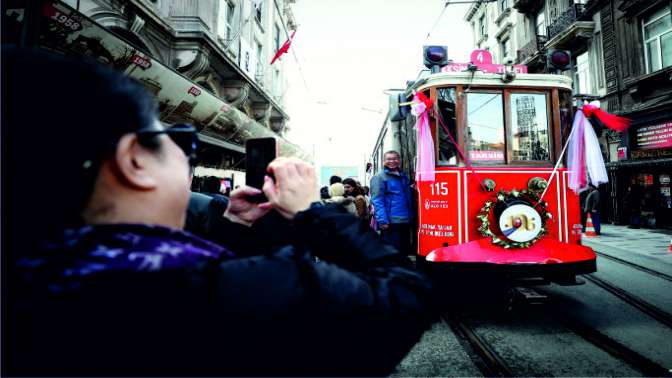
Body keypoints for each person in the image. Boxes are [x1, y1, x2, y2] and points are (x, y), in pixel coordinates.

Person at [3, 48, 435, 376]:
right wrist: (309, 214)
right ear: (134, 160)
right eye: (179, 141)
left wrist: (230, 230)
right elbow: (407, 297)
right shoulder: (260, 292)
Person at [371, 151, 413, 255]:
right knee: (393, 252)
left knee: (404, 251)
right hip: (391, 221)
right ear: (384, 161)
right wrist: (383, 221)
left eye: (395, 159)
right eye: (389, 159)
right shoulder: (379, 177)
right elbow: (377, 200)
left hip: (405, 219)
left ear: (399, 160)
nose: (392, 161)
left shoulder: (403, 176)